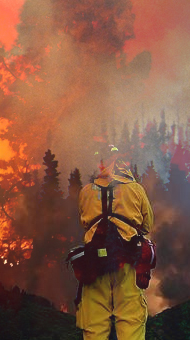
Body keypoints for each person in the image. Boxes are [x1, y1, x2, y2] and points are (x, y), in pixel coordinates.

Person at [75, 146, 154, 340]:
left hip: (94, 265)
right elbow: (147, 225)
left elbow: (84, 223)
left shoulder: (86, 191)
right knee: (131, 320)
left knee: (94, 323)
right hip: (127, 263)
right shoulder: (135, 189)